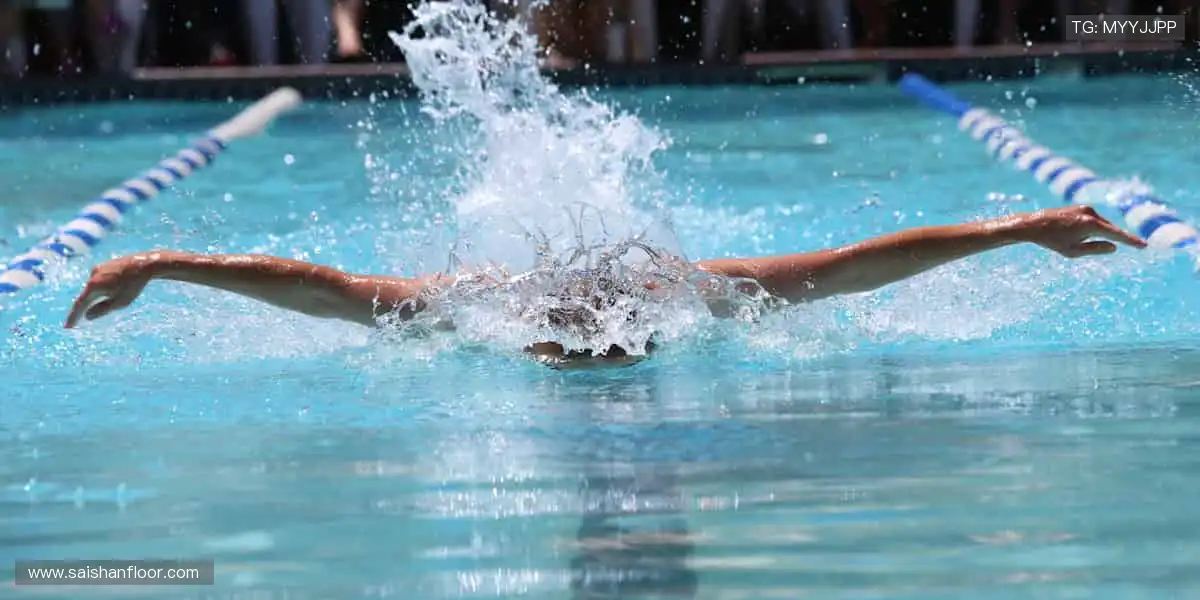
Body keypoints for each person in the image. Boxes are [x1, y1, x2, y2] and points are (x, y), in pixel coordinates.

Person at [64, 205, 1146, 369]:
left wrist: (1020, 230)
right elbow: (323, 287)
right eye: (578, 341)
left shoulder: (694, 296)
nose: (601, 352)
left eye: (613, 339)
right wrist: (155, 261)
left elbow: (859, 267)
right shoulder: (478, 310)